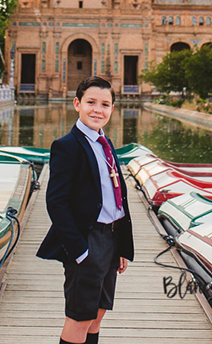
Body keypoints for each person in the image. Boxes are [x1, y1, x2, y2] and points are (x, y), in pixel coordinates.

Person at [37, 76, 134, 344]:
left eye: (105, 104)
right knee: (79, 318)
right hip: (87, 241)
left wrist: (121, 246)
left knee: (98, 313)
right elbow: (56, 202)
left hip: (111, 240)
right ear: (77, 104)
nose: (97, 110)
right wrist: (79, 251)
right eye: (91, 102)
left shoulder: (106, 143)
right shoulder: (66, 146)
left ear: (112, 109)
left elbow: (118, 198)